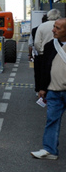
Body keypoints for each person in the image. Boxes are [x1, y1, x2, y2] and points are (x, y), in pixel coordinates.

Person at [31, 17, 66, 160]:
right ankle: (49, 150)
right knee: (52, 120)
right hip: (54, 91)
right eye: (54, 27)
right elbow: (45, 69)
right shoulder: (50, 46)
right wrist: (42, 88)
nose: (53, 30)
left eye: (58, 28)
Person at [34, 9, 61, 92]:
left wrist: (41, 52)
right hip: (59, 54)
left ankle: (41, 90)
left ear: (48, 16)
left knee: (42, 73)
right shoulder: (61, 26)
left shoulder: (42, 26)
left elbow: (36, 42)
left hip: (43, 55)